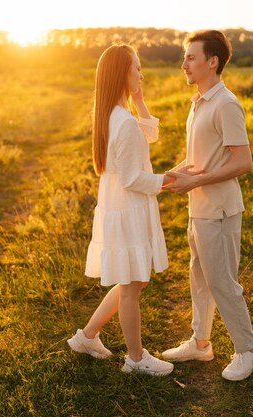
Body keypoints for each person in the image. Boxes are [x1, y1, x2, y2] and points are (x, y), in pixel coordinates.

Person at [161, 30, 253, 381]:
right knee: (199, 278)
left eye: (191, 58)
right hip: (199, 207)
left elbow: (243, 162)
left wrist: (198, 181)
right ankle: (201, 342)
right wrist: (177, 172)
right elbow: (201, 158)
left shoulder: (226, 104)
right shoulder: (199, 101)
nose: (184, 64)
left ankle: (250, 352)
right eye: (185, 57)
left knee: (222, 281)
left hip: (220, 209)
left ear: (213, 61)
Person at [67, 44, 174, 377]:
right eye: (136, 69)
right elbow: (131, 178)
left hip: (119, 205)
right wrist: (168, 180)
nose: (141, 74)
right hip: (127, 206)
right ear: (121, 74)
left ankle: (87, 336)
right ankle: (136, 358)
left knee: (134, 280)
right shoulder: (123, 122)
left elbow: (151, 135)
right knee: (132, 283)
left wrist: (139, 99)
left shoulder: (114, 115)